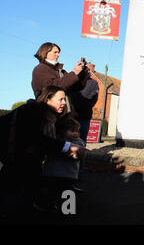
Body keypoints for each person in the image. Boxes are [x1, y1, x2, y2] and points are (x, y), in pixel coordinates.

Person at [0, 85, 86, 213]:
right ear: (48, 100)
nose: (64, 103)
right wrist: (67, 146)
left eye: (64, 99)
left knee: (23, 174)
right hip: (7, 144)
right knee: (13, 176)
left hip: (18, 150)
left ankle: (29, 204)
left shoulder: (51, 117)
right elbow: (34, 137)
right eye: (60, 99)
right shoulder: (34, 110)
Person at [40, 115, 86, 212]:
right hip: (53, 173)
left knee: (68, 193)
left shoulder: (78, 142)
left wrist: (75, 154)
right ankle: (51, 205)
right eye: (72, 131)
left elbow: (78, 153)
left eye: (77, 131)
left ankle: (68, 209)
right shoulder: (56, 141)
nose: (75, 133)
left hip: (68, 175)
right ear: (63, 131)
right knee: (53, 191)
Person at [31, 42, 86, 112]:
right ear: (45, 53)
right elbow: (54, 87)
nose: (58, 55)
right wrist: (74, 72)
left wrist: (83, 73)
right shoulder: (40, 69)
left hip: (63, 112)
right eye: (55, 52)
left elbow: (75, 87)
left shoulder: (60, 71)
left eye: (58, 52)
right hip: (47, 111)